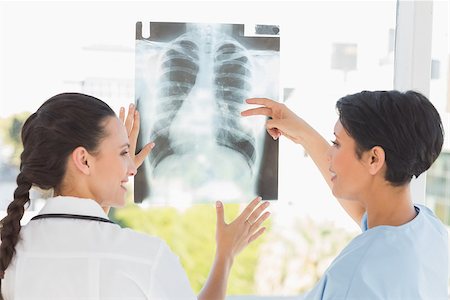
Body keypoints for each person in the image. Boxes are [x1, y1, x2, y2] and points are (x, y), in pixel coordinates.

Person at [0, 92, 271, 300]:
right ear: (83, 160)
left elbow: (83, 244)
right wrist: (225, 256)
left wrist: (106, 176)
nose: (132, 168)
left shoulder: (9, 252)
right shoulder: (145, 256)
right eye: (122, 153)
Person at [241, 90, 448, 299]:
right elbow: (377, 229)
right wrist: (304, 135)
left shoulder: (356, 274)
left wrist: (224, 258)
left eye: (336, 143)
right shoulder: (429, 229)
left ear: (374, 159)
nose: (330, 154)